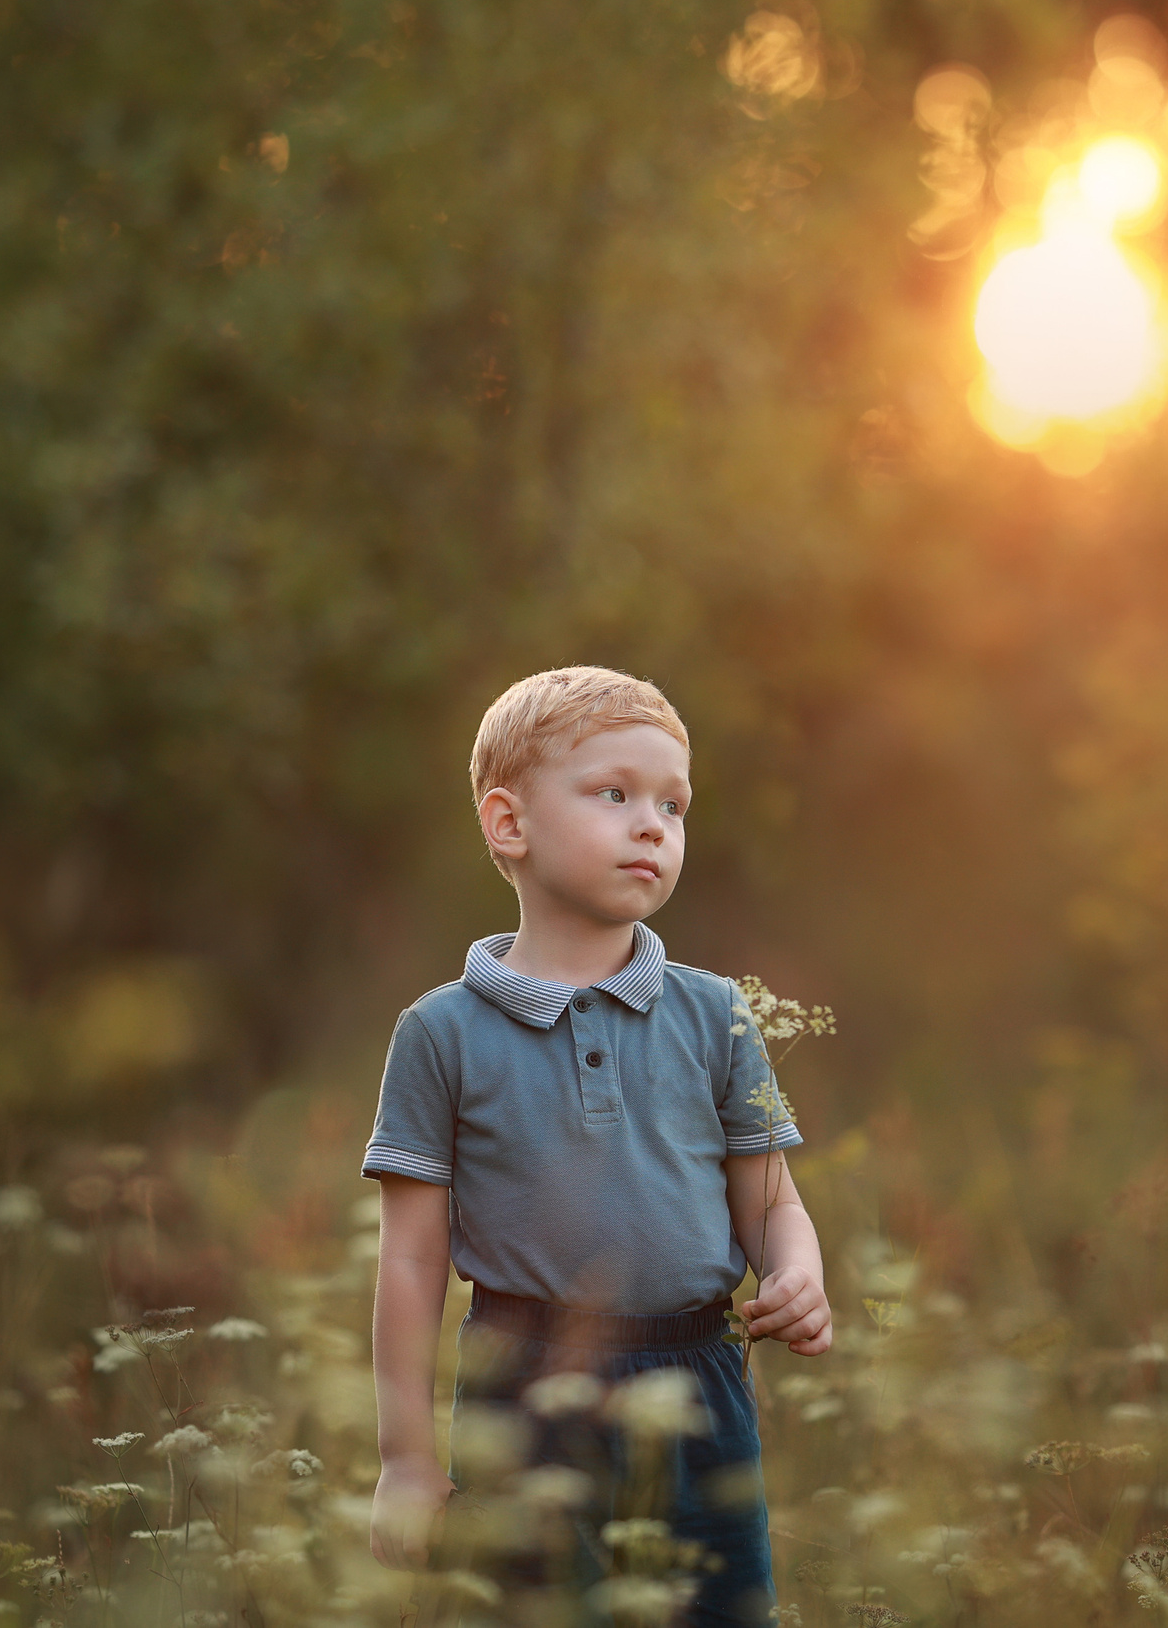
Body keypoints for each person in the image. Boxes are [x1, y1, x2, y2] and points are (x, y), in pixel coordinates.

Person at [360, 665, 833, 1625]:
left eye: (673, 802)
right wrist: (406, 1460)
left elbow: (771, 1200)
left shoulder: (716, 1013)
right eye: (613, 793)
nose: (652, 823)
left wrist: (799, 1267)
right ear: (509, 823)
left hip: (698, 1378)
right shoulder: (441, 1032)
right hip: (524, 1383)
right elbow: (411, 1259)